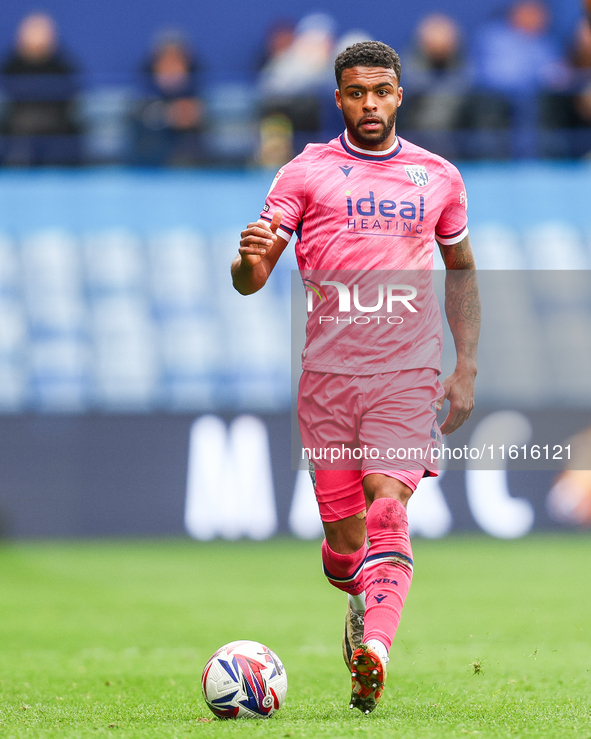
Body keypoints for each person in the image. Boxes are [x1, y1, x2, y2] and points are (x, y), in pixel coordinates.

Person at [232, 41, 480, 714]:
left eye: (380, 90)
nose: (368, 103)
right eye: (354, 92)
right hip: (329, 381)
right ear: (337, 98)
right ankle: (357, 602)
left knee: (388, 507)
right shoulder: (304, 173)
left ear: (399, 95)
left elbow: (459, 268)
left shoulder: (438, 178)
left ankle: (376, 646)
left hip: (404, 373)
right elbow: (253, 278)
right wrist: (244, 265)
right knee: (345, 546)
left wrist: (465, 366)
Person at [1, 12, 80, 165]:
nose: (36, 40)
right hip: (19, 122)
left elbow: (72, 93)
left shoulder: (62, 65)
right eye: (31, 33)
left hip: (56, 122)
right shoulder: (11, 65)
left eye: (41, 34)